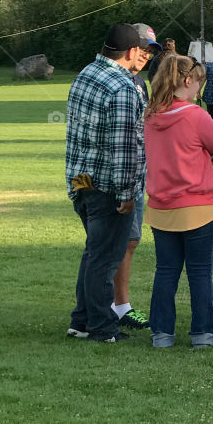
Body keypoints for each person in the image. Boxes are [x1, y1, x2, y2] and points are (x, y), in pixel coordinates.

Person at [65, 22, 146, 342]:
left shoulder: (84, 74)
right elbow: (124, 145)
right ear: (130, 52)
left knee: (93, 253)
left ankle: (81, 320)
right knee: (105, 258)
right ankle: (101, 326)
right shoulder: (123, 86)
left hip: (80, 180)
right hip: (107, 185)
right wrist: (127, 194)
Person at [143, 54, 213, 348]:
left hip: (161, 206)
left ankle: (162, 334)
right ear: (187, 79)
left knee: (165, 271)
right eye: (198, 83)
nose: (199, 91)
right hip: (198, 205)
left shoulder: (150, 115)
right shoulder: (196, 115)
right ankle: (202, 333)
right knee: (199, 271)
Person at [110, 21, 160, 332]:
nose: (145, 55)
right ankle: (117, 306)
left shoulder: (139, 82)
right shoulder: (118, 81)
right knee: (113, 242)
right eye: (142, 48)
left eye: (150, 50)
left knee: (129, 241)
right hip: (118, 174)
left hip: (136, 172)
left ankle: (115, 305)